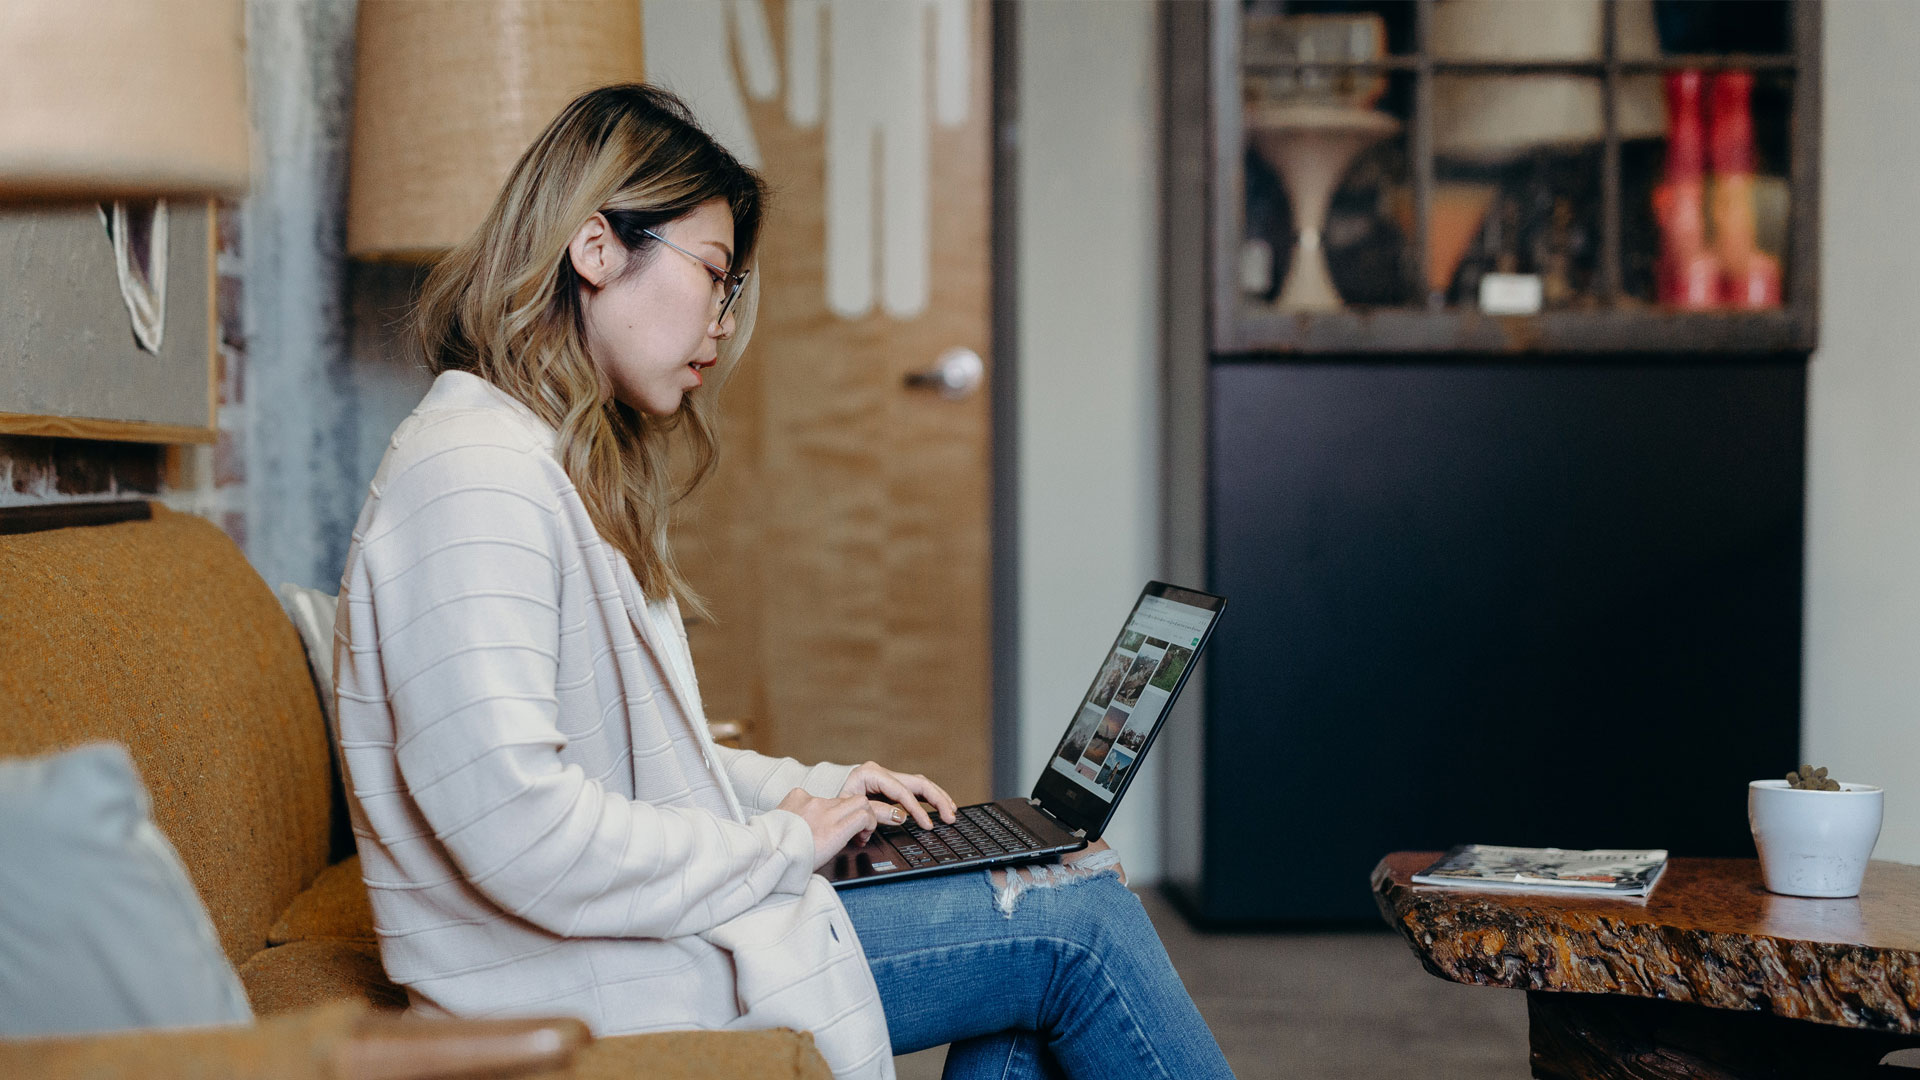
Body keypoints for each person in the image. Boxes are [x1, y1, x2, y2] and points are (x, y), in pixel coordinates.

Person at [332, 83, 1234, 1080]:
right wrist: (777, 846)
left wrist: (817, 793)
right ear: (594, 250)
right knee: (1078, 919)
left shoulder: (531, 463)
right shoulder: (473, 478)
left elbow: (637, 772)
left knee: (1043, 885)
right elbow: (523, 831)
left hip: (619, 942)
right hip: (578, 977)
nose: (722, 322)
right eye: (713, 275)